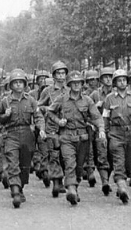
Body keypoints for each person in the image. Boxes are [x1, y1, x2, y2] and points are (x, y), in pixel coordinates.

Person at [47, 71, 105, 206]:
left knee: (79, 167)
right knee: (69, 163)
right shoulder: (62, 99)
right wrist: (58, 121)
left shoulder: (87, 100)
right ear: (69, 85)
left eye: (79, 83)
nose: (77, 85)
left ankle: (75, 187)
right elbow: (50, 111)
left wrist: (101, 130)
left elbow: (96, 117)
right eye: (74, 83)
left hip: (83, 138)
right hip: (66, 137)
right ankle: (71, 189)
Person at [0, 69, 45, 208]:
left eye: (20, 82)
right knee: (13, 163)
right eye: (15, 83)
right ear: (11, 85)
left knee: (25, 165)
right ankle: (15, 189)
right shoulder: (5, 101)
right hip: (11, 134)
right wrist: (6, 115)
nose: (18, 85)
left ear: (24, 84)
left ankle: (20, 186)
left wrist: (41, 129)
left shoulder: (31, 100)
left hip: (27, 134)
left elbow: (38, 116)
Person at [102, 69, 131, 203]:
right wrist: (104, 133)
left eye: (124, 80)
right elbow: (105, 118)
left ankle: (122, 181)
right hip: (115, 133)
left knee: (128, 162)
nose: (122, 82)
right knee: (118, 160)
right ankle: (121, 187)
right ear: (115, 83)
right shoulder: (109, 98)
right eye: (119, 80)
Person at [38, 61, 69, 197]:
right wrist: (46, 110)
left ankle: (61, 180)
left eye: (63, 73)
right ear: (54, 75)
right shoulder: (47, 91)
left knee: (65, 156)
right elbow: (38, 108)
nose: (61, 76)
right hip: (52, 127)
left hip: (67, 128)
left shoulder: (69, 90)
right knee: (54, 155)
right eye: (58, 73)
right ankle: (56, 181)